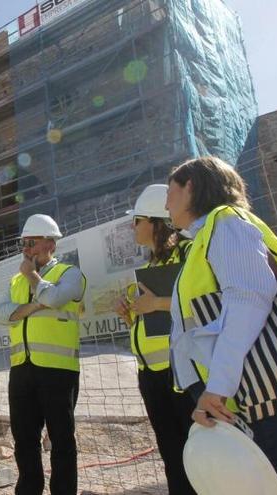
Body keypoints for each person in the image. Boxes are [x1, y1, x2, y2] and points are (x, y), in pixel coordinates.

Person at [166, 156, 277, 495]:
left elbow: (249, 299)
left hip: (262, 395)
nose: (166, 202)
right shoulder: (204, 238)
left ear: (190, 186)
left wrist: (217, 385)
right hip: (245, 395)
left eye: (170, 191)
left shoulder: (227, 224)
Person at [114, 184, 195, 495]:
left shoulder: (187, 254)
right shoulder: (151, 266)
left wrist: (158, 303)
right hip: (151, 375)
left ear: (155, 221)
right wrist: (131, 315)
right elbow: (157, 319)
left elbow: (206, 302)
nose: (133, 227)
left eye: (136, 220)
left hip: (182, 374)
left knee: (195, 454)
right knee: (173, 458)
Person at [0, 213, 86, 495]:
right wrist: (36, 306)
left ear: (51, 244)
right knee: (24, 441)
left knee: (61, 440)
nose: (26, 249)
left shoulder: (70, 274)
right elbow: (1, 315)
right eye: (23, 243)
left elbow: (55, 298)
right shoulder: (15, 281)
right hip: (22, 369)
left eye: (32, 243)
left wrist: (33, 278)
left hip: (58, 370)